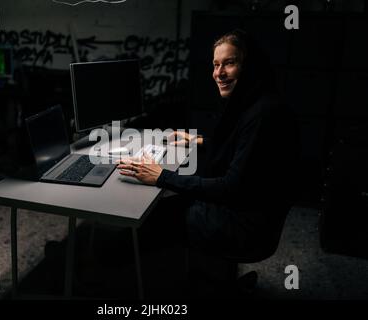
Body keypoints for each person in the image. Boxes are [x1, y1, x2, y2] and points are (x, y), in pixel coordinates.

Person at [117, 29, 299, 297]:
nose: (219, 73)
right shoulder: (259, 102)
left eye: (230, 63)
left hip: (246, 227)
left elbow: (229, 187)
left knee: (161, 214)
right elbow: (243, 149)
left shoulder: (262, 115)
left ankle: (132, 281)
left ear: (249, 66)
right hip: (258, 216)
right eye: (216, 65)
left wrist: (160, 176)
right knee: (172, 201)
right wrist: (198, 140)